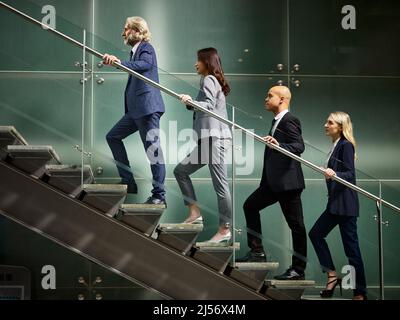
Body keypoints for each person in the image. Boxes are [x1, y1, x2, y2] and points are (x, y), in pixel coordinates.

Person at [236, 86, 307, 281]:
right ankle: (257, 252)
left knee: (297, 226)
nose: (266, 99)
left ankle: (298, 270)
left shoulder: (289, 120)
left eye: (270, 96)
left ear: (282, 99)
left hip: (287, 183)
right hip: (273, 183)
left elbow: (299, 146)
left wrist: (279, 145)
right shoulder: (277, 121)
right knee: (250, 206)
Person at [103, 16, 166, 205]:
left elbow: (145, 65)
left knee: (153, 152)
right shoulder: (134, 52)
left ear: (138, 31)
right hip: (135, 111)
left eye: (127, 29)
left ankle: (159, 196)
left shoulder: (146, 48)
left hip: (147, 109)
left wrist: (118, 62)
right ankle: (128, 182)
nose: (123, 32)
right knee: (112, 136)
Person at [175, 47, 232, 243]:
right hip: (209, 139)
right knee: (180, 171)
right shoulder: (210, 80)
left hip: (215, 139)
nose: (195, 64)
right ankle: (195, 212)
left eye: (198, 60)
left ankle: (225, 229)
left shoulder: (209, 79)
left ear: (206, 62)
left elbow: (209, 105)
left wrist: (190, 100)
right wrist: (191, 103)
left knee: (220, 186)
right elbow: (209, 104)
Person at [308, 111, 367, 300]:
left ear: (340, 127)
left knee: (352, 250)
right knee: (316, 234)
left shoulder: (346, 145)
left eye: (330, 122)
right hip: (335, 204)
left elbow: (350, 174)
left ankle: (360, 293)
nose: (326, 125)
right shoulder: (335, 146)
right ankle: (332, 275)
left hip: (346, 205)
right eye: (326, 121)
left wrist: (334, 174)